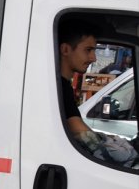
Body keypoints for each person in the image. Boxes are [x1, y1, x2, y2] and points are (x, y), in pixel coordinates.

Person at [58, 18, 138, 167]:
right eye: (88, 50)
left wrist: (105, 139)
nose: (93, 58)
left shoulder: (62, 85)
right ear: (66, 50)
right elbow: (77, 129)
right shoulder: (60, 86)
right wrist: (108, 153)